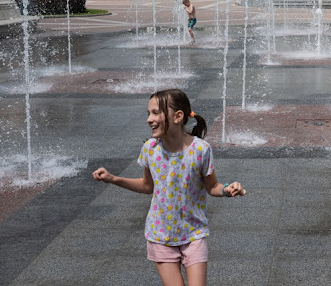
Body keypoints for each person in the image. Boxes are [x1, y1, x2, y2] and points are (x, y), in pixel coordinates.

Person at [93, 89, 246, 285]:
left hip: (194, 234)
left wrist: (226, 189)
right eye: (148, 113)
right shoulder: (150, 149)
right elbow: (147, 186)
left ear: (178, 116)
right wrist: (113, 179)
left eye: (156, 112)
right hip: (160, 234)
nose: (149, 119)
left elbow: (212, 186)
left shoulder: (200, 149)